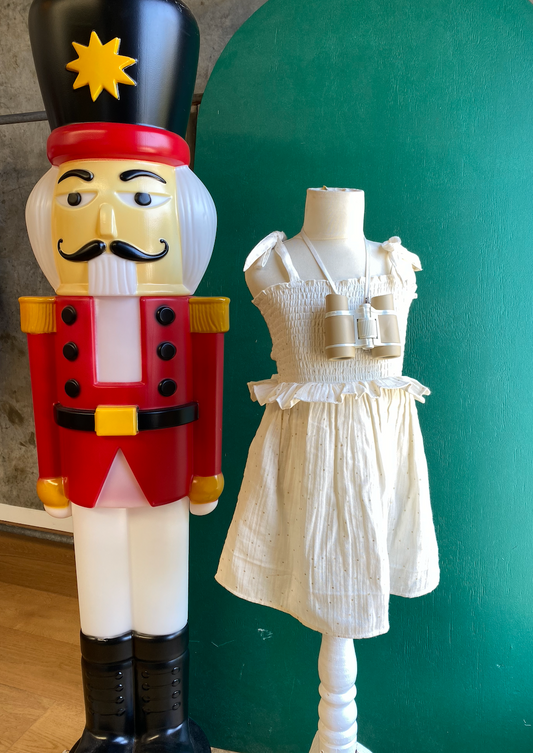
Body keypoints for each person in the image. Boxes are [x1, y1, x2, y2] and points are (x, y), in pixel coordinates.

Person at [20, 1, 228, 751]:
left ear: (179, 211)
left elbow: (207, 389)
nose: (106, 223)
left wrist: (204, 470)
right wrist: (49, 472)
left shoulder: (195, 315)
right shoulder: (50, 316)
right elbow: (43, 389)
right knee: (101, 586)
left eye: (139, 196)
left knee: (163, 580)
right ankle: (107, 726)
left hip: (162, 457)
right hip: (86, 461)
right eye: (79, 197)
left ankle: (166, 723)